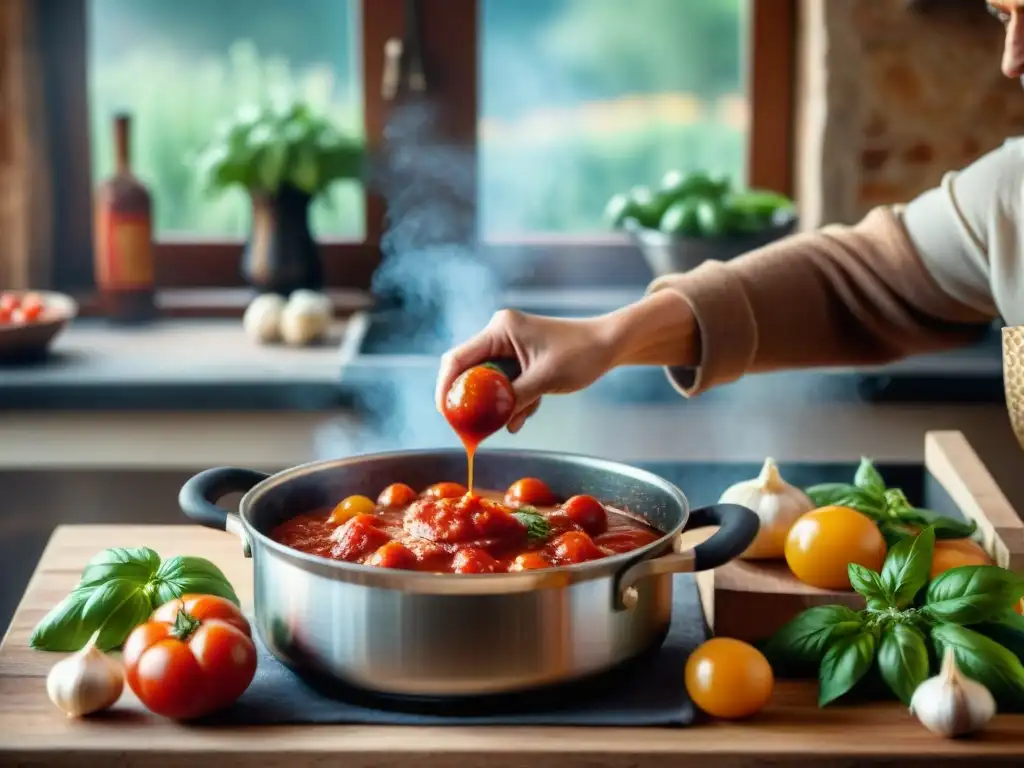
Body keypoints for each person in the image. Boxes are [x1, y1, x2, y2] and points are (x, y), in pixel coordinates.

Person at [436, 0, 1024, 433]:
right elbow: (856, 280)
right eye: (1005, 18)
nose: (1011, 60)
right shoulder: (1012, 191)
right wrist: (604, 337)